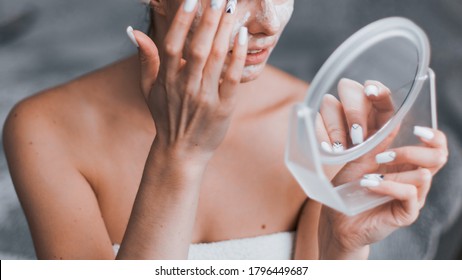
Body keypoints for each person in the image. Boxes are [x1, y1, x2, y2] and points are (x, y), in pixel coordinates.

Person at [2, 0, 448, 260]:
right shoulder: (44, 128)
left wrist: (343, 248)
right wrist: (179, 155)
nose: (268, 23)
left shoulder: (318, 124)